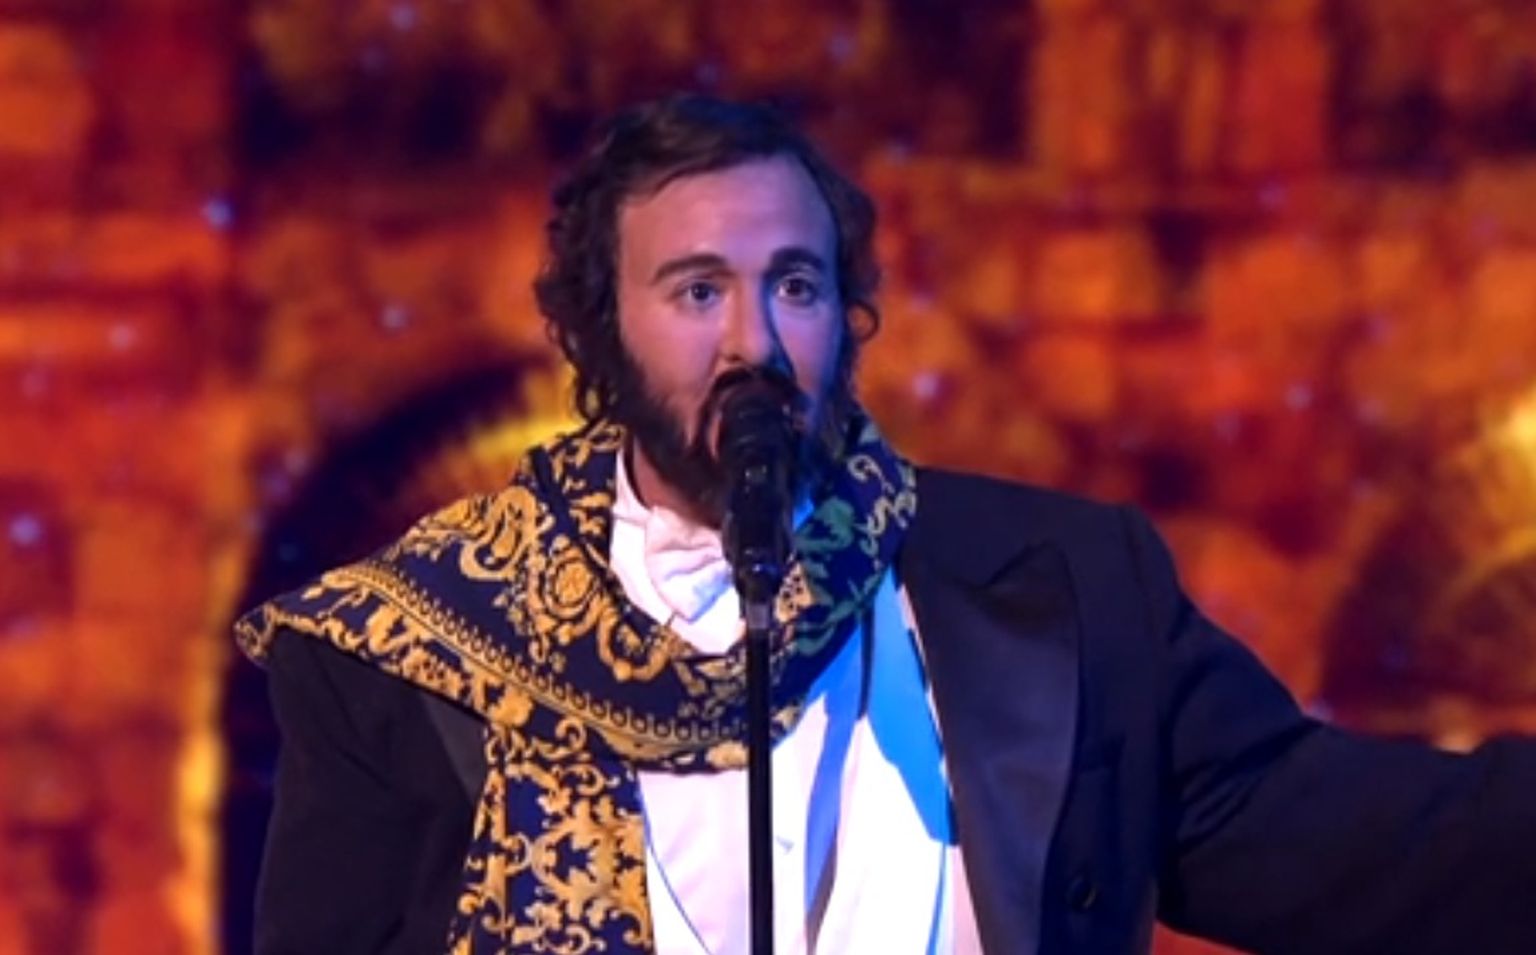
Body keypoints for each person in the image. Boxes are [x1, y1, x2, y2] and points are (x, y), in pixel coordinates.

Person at [235, 94, 1536, 955]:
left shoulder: (1064, 591)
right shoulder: (414, 654)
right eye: (697, 291)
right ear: (597, 331)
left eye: (795, 285)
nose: (754, 344)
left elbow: (1355, 845)